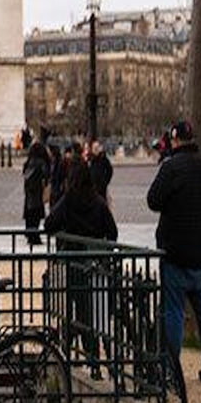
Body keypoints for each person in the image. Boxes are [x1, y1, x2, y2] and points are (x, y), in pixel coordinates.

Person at [147, 120, 201, 386]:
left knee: (174, 313)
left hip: (176, 249)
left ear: (175, 141)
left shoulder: (171, 167)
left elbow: (153, 200)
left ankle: (171, 368)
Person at [46, 158, 117, 373]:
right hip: (94, 263)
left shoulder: (68, 200)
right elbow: (112, 232)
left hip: (74, 262)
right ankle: (93, 356)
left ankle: (78, 350)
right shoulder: (98, 202)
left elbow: (49, 224)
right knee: (95, 312)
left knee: (78, 309)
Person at [21, 138, 51, 247]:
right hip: (37, 192)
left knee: (30, 215)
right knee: (36, 215)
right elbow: (46, 175)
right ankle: (34, 236)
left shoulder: (29, 162)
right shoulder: (41, 162)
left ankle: (30, 234)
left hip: (29, 192)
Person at [88, 140, 113, 206]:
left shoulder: (103, 159)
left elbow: (109, 170)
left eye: (97, 148)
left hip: (101, 188)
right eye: (94, 148)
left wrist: (105, 181)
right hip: (92, 188)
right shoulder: (90, 159)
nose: (96, 150)